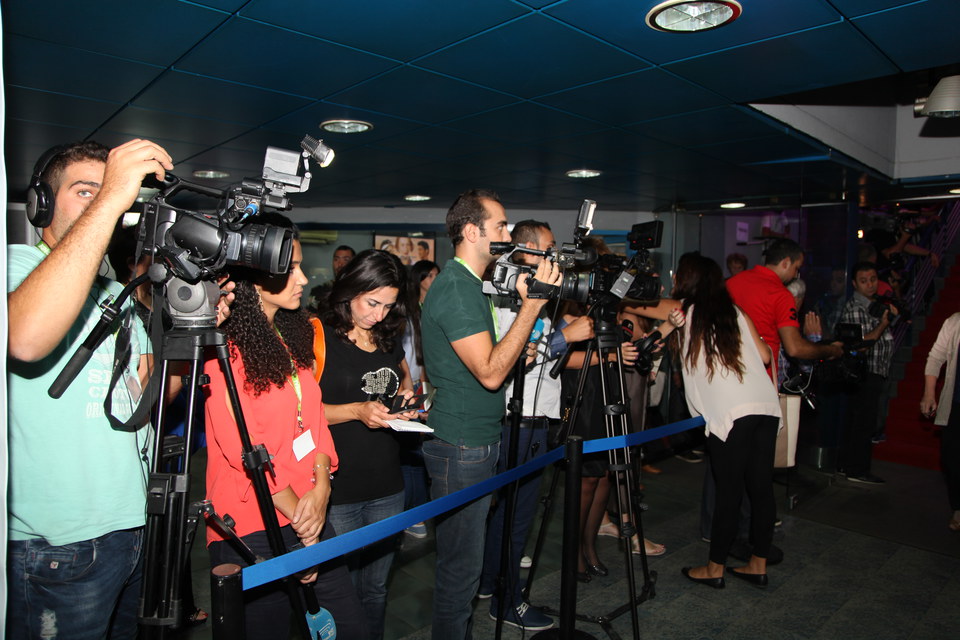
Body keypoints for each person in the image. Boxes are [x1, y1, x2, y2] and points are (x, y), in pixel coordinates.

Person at [6, 139, 183, 639]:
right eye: (85, 190)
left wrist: (190, 334)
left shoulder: (113, 292)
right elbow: (25, 337)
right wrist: (110, 199)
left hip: (127, 528)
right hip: (57, 545)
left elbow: (146, 401)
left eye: (108, 193)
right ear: (41, 202)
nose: (109, 201)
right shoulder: (16, 267)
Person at [203, 213, 366, 639]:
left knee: (349, 627)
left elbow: (313, 425)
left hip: (308, 508)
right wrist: (302, 522)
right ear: (254, 279)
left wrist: (322, 484)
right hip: (255, 523)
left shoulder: (289, 339)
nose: (301, 277)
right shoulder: (225, 351)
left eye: (299, 266)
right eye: (289, 267)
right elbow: (244, 449)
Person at [420, 189, 561, 640]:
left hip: (477, 438)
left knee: (465, 562)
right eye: (500, 226)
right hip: (461, 444)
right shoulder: (458, 288)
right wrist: (535, 307)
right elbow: (490, 373)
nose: (506, 233)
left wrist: (524, 306)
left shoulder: (473, 284)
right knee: (460, 571)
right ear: (471, 231)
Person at [478, 220, 594, 631]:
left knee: (507, 513)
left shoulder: (538, 296)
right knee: (517, 517)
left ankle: (489, 583)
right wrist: (565, 337)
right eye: (547, 248)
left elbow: (540, 353)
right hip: (521, 420)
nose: (555, 257)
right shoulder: (512, 292)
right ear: (527, 251)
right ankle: (508, 602)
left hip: (536, 416)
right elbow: (515, 355)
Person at [641, 254, 782, 588]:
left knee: (728, 492)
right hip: (764, 405)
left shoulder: (684, 308)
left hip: (731, 413)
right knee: (761, 489)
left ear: (687, 280)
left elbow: (640, 306)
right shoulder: (736, 311)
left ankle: (715, 568)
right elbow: (764, 355)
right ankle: (757, 564)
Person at [319, 249, 419, 640]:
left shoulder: (388, 336)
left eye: (388, 305)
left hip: (387, 484)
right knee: (337, 594)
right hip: (338, 486)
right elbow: (299, 412)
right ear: (350, 290)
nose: (379, 314)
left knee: (375, 590)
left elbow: (403, 379)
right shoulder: (319, 335)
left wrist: (405, 402)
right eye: (372, 302)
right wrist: (356, 411)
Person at [726, 238, 843, 382]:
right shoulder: (780, 294)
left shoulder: (731, 283)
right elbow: (794, 348)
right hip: (762, 380)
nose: (795, 275)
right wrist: (831, 350)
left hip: (729, 373)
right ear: (786, 262)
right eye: (796, 268)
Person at [837, 262, 898, 484]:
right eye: (864, 280)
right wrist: (882, 325)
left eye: (873, 279)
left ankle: (848, 466)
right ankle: (857, 470)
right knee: (863, 422)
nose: (870, 284)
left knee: (861, 421)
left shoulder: (874, 304)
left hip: (874, 371)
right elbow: (859, 345)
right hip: (865, 372)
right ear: (854, 283)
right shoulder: (856, 308)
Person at [400, 259, 440, 538]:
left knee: (417, 450)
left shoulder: (432, 306)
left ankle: (417, 511)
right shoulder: (407, 310)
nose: (436, 279)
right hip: (408, 384)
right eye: (432, 275)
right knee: (411, 452)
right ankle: (413, 512)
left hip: (420, 383)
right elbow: (405, 354)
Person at [919, 312, 960, 532]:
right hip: (956, 404)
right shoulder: (955, 322)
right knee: (951, 458)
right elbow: (936, 357)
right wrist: (929, 393)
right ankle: (958, 506)